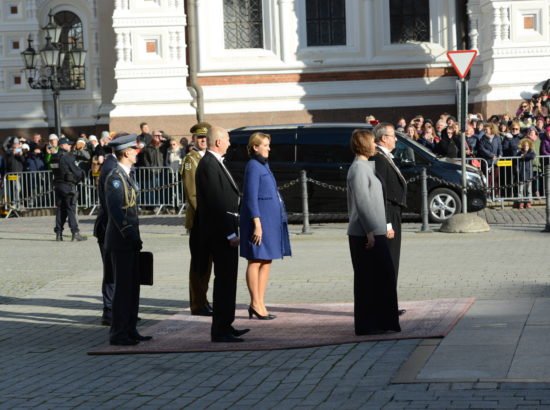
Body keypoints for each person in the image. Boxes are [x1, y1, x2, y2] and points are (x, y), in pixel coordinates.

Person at [194, 125, 249, 343]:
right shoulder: (208, 164)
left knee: (228, 280)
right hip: (220, 235)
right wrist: (229, 234)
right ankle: (220, 329)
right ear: (217, 142)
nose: (229, 142)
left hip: (226, 231)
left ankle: (226, 323)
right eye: (227, 139)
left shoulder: (215, 162)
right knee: (224, 280)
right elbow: (216, 204)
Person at [347, 129, 401, 336]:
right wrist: (370, 231)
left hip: (374, 230)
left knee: (381, 277)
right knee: (368, 279)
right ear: (363, 145)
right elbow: (362, 202)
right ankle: (368, 324)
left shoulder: (365, 166)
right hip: (365, 234)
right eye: (372, 142)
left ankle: (381, 321)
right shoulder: (359, 168)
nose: (375, 146)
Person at [104, 134, 151, 346]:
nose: (136, 152)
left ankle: (131, 328)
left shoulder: (127, 175)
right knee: (123, 289)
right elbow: (116, 211)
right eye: (134, 149)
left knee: (133, 286)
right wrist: (129, 234)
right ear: (125, 152)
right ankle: (119, 332)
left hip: (130, 239)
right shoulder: (115, 177)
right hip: (121, 240)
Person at [240, 132, 291, 320]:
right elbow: (250, 197)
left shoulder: (263, 164)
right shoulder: (253, 166)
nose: (269, 148)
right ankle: (255, 303)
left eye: (269, 145)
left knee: (267, 260)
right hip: (259, 221)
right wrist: (257, 224)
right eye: (265, 145)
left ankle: (260, 302)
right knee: (256, 259)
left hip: (270, 220)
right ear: (255, 147)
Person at [369, 123, 407, 316]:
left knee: (393, 262)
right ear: (383, 138)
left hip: (393, 211)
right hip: (388, 213)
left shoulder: (385, 157)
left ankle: (389, 303)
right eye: (393, 136)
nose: (396, 139)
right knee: (389, 262)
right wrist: (386, 223)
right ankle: (386, 305)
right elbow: (379, 194)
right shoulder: (379, 158)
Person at [93, 133, 125, 326]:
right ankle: (110, 310)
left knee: (118, 269)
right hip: (109, 226)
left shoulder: (115, 165)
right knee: (112, 270)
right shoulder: (112, 167)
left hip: (113, 226)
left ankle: (118, 309)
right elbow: (113, 203)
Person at [181, 122, 213, 316]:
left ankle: (204, 300)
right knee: (199, 264)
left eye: (205, 137)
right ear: (194, 139)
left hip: (209, 220)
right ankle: (198, 303)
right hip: (200, 219)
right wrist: (206, 216)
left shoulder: (208, 158)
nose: (203, 140)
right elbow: (192, 193)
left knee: (207, 264)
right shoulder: (190, 160)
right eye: (200, 138)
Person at [50, 138, 86, 242]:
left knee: (60, 210)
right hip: (68, 186)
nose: (70, 146)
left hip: (58, 186)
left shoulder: (54, 157)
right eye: (68, 144)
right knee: (71, 209)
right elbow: (77, 172)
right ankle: (75, 233)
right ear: (62, 145)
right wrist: (82, 175)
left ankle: (59, 234)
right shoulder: (67, 157)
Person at [516, 138, 536, 209]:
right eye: (524, 145)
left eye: (527, 145)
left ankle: (528, 202)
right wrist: (517, 168)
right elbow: (516, 160)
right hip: (521, 173)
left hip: (529, 173)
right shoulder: (519, 152)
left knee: (528, 189)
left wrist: (524, 156)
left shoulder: (531, 152)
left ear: (529, 146)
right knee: (520, 189)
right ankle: (520, 202)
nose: (525, 147)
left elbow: (533, 156)